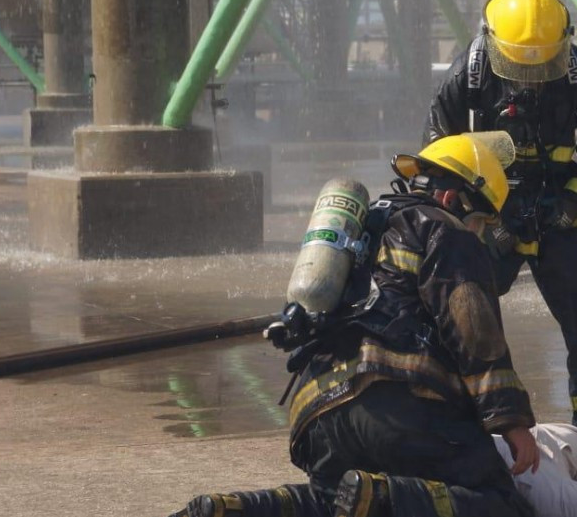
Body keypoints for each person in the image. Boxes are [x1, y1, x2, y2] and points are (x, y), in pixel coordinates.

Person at [170, 133, 539, 517]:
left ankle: (235, 510)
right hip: (395, 403)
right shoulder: (445, 228)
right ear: (452, 199)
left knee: (336, 501)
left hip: (316, 414)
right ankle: (384, 501)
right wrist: (511, 422)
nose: (479, 230)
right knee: (500, 503)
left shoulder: (360, 230)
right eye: (480, 219)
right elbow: (475, 333)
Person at [424, 0, 577, 455]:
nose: (529, 76)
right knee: (458, 306)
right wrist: (470, 209)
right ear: (492, 42)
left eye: (540, 63)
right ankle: (445, 413)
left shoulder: (574, 71)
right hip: (491, 209)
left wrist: (574, 204)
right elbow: (439, 143)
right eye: (519, 65)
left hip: (558, 209)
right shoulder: (473, 69)